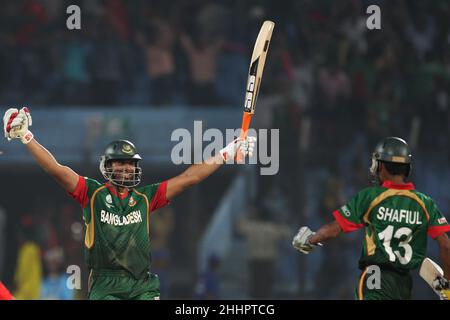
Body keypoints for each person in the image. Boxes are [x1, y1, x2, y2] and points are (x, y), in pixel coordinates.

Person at [3, 107, 256, 300]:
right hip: (105, 285)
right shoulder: (92, 194)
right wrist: (26, 136)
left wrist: (227, 152)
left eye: (130, 164)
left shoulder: (146, 197)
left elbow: (190, 177)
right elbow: (56, 169)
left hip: (142, 284)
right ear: (108, 167)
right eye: (120, 163)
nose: (127, 168)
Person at [292, 137, 450, 300]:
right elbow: (445, 245)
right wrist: (447, 287)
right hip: (403, 286)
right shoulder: (425, 203)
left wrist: (310, 239)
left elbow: (334, 229)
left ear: (380, 165)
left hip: (374, 282)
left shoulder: (370, 196)